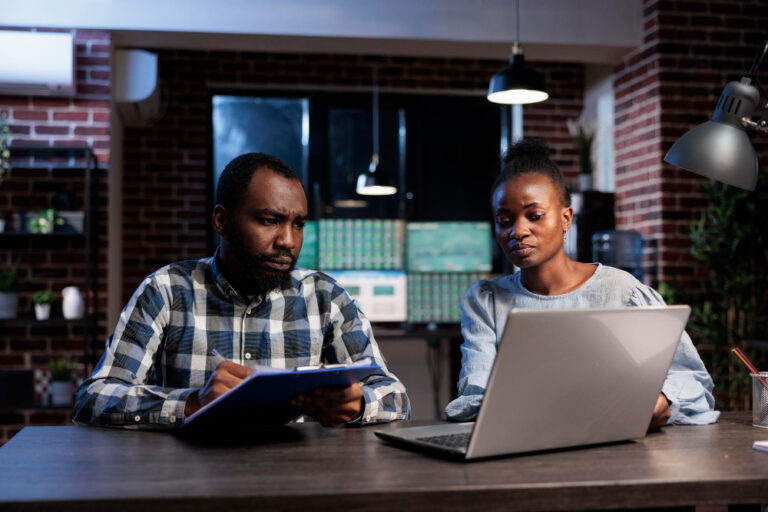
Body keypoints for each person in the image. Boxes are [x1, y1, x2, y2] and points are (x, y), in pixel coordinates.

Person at [74, 152, 410, 429]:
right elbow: (94, 398)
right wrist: (192, 402)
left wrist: (356, 404)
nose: (288, 241)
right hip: (190, 482)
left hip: (299, 479)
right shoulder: (166, 290)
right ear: (221, 220)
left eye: (298, 224)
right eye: (269, 221)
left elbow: (394, 395)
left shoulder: (325, 295)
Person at [444, 139, 718, 428]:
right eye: (504, 220)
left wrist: (660, 402)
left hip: (618, 451)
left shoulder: (622, 292)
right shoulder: (486, 302)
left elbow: (691, 380)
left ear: (566, 219)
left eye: (534, 216)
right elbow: (476, 395)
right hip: (521, 456)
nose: (518, 231)